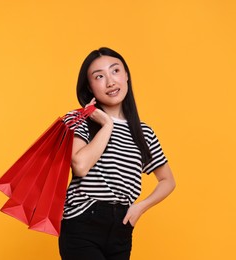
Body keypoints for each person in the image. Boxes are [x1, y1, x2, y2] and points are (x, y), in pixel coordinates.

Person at [59, 47, 176, 260]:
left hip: (121, 228)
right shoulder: (79, 120)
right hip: (83, 222)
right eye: (99, 76)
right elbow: (80, 165)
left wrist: (140, 208)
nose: (110, 82)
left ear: (126, 76)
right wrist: (106, 125)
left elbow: (168, 180)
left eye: (115, 71)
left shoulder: (144, 132)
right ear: (90, 87)